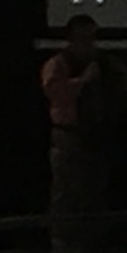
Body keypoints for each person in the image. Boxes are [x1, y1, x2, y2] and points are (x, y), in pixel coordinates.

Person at [42, 13, 113, 217]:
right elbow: (55, 92)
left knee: (94, 192)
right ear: (71, 39)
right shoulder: (57, 63)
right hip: (68, 136)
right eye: (84, 38)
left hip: (96, 136)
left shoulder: (102, 62)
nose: (89, 43)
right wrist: (83, 81)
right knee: (66, 193)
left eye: (92, 38)